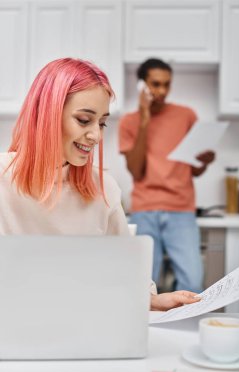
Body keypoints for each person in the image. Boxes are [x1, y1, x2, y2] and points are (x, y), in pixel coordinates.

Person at [0, 57, 201, 311]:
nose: (96, 135)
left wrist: (153, 301)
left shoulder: (104, 187)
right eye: (84, 120)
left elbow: (127, 266)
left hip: (83, 326)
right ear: (46, 115)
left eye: (102, 123)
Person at [118, 58, 215, 293]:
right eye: (155, 84)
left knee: (192, 283)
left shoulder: (186, 116)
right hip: (144, 210)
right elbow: (135, 170)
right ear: (142, 85)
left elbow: (194, 169)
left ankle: (182, 329)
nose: (162, 91)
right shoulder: (129, 122)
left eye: (167, 84)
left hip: (181, 209)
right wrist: (144, 120)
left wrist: (204, 162)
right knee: (143, 285)